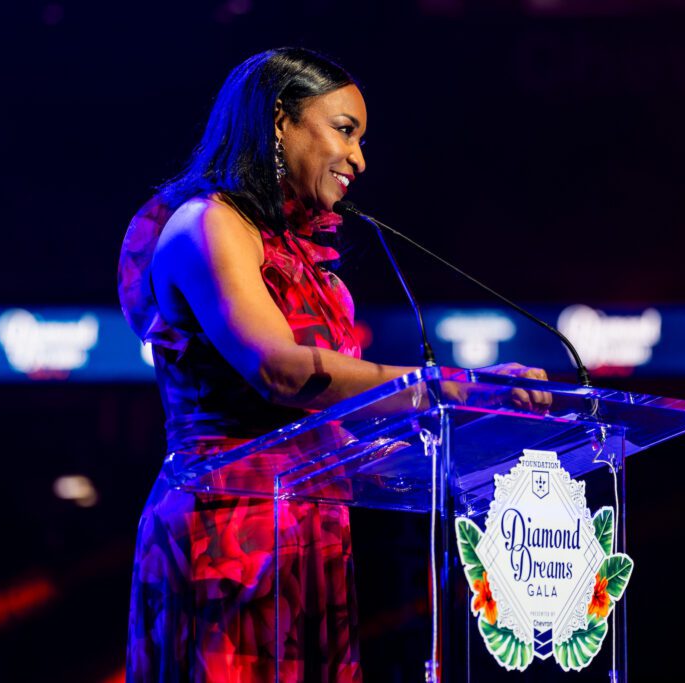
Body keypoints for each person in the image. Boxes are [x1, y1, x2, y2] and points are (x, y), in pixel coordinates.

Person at [118, 48, 548, 682]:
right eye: (344, 130)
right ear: (278, 121)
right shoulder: (206, 225)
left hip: (310, 527)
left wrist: (476, 407)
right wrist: (448, 387)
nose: (360, 158)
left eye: (361, 139)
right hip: (227, 530)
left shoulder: (304, 258)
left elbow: (340, 417)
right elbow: (282, 372)